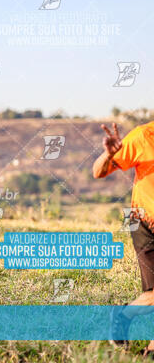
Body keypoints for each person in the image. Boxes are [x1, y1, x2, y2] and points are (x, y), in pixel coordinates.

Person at [92, 121, 154, 356]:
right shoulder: (144, 136)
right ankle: (121, 315)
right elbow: (98, 172)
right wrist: (108, 154)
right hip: (144, 220)